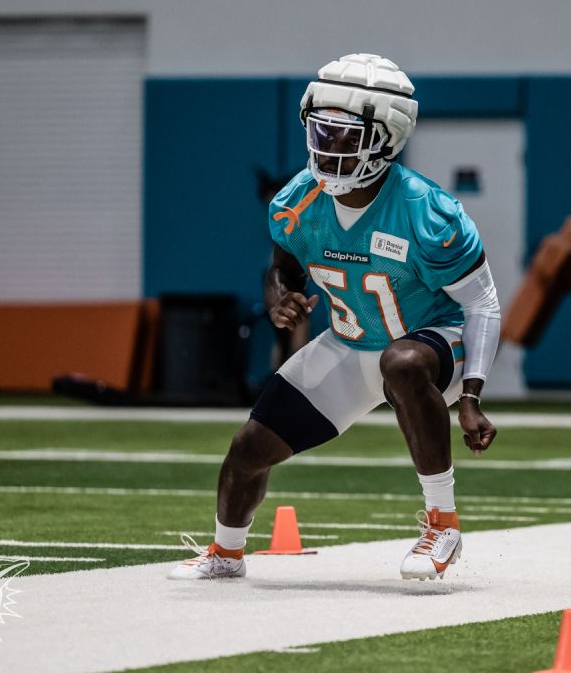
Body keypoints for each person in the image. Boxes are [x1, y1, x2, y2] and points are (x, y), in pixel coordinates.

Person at [170, 53, 501, 580]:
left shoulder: (427, 212)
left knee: (403, 362)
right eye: (322, 132)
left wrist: (471, 394)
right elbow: (282, 268)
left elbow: (481, 303)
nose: (329, 147)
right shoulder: (298, 200)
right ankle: (225, 554)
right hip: (351, 342)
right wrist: (281, 295)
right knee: (247, 450)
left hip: (431, 341)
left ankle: (443, 523)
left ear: (387, 139)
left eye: (347, 137)